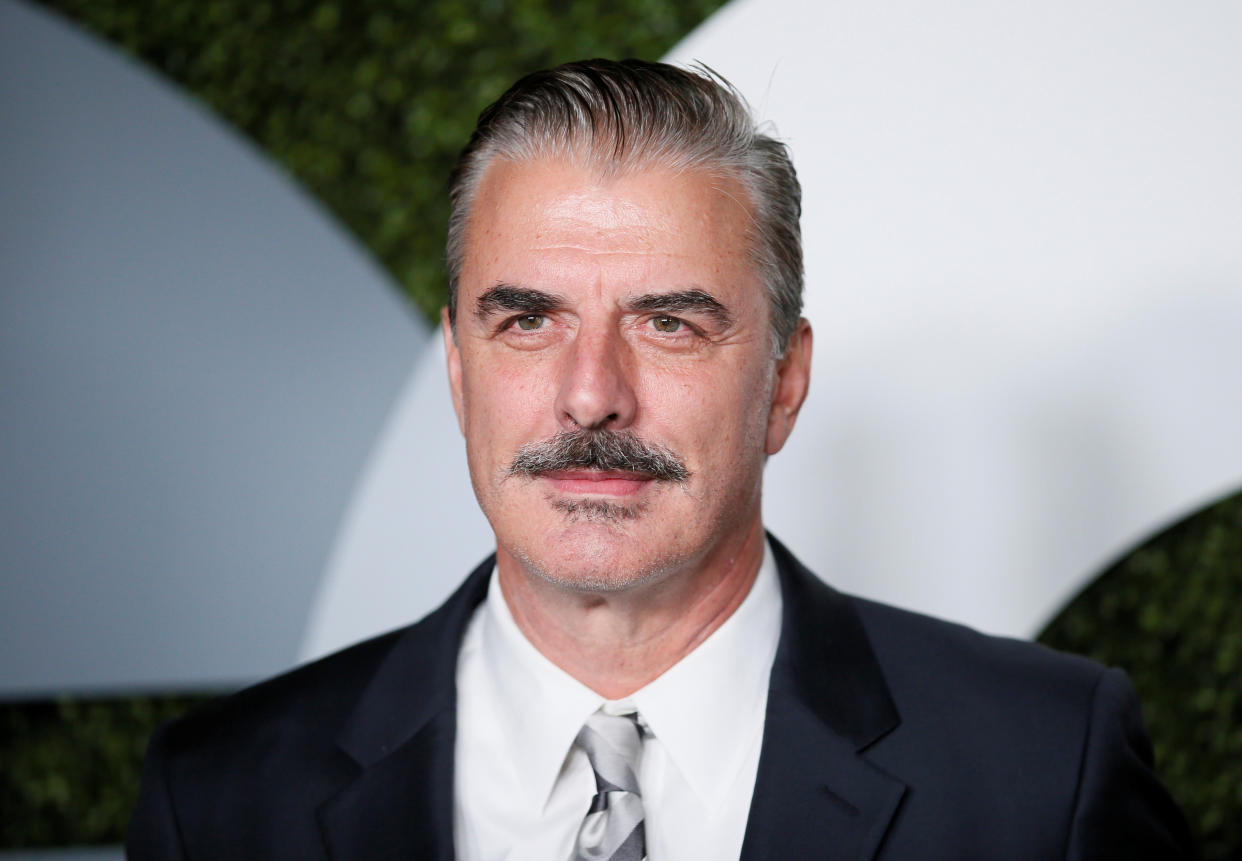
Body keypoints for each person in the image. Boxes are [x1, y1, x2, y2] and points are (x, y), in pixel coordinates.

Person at [128, 59, 1191, 860]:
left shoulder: (1045, 771)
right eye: (529, 321)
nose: (592, 393)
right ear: (459, 373)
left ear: (783, 380)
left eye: (670, 324)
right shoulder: (220, 801)